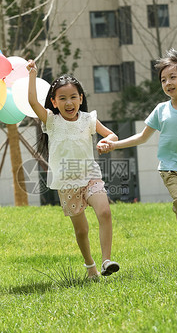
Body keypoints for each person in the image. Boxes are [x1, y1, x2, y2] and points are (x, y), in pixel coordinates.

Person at [100, 49, 177, 266]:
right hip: (170, 168)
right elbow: (142, 137)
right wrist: (114, 144)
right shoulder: (161, 110)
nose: (167, 83)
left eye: (172, 77)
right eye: (163, 80)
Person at [26, 60, 120, 279]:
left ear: (81, 99)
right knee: (82, 230)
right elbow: (32, 101)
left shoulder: (88, 119)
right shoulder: (51, 120)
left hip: (90, 175)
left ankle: (107, 261)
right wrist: (32, 74)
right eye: (63, 98)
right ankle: (91, 267)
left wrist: (108, 142)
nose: (69, 102)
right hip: (66, 181)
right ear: (54, 102)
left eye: (73, 97)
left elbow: (111, 135)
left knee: (104, 212)